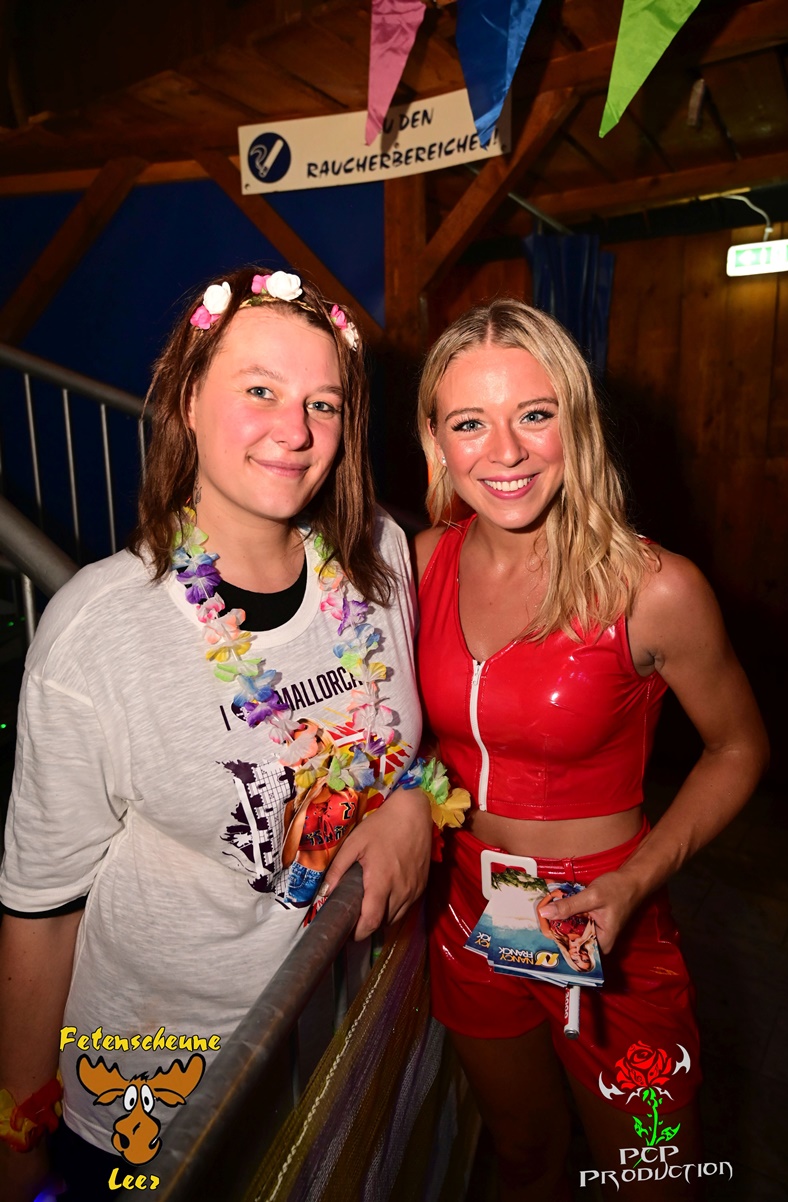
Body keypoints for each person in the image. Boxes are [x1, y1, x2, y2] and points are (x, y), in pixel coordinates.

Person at [0, 266, 431, 1201]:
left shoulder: (382, 557)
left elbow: (411, 742)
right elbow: (41, 911)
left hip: (338, 1036)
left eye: (323, 403)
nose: (295, 430)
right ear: (189, 399)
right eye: (260, 390)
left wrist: (411, 805)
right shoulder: (100, 629)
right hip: (158, 1089)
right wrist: (16, 1128)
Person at [413, 299, 768, 1201]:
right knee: (521, 1155)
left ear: (576, 423)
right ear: (436, 442)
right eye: (469, 423)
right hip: (466, 916)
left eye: (534, 414)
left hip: (610, 923)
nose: (505, 451)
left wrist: (635, 881)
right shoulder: (421, 563)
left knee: (651, 1176)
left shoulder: (657, 588)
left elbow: (737, 748)